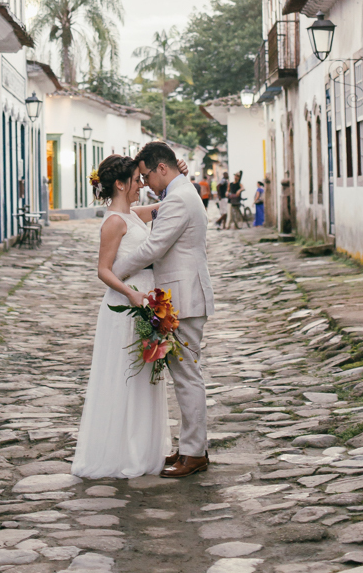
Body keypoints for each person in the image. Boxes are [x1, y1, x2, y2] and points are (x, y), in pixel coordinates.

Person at [113, 141, 214, 478]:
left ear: (161, 168)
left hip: (185, 297)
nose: (146, 184)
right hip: (184, 294)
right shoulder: (181, 193)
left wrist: (115, 271)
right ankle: (191, 447)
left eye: (147, 176)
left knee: (187, 378)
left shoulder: (179, 199)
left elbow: (155, 247)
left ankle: (194, 453)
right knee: (185, 375)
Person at [72, 155, 170, 479]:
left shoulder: (133, 215)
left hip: (146, 303)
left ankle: (141, 449)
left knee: (144, 376)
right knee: (126, 376)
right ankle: (121, 453)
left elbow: (166, 207)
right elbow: (103, 270)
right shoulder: (114, 222)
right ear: (119, 183)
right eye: (137, 180)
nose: (142, 185)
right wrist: (131, 294)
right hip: (126, 306)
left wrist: (178, 177)